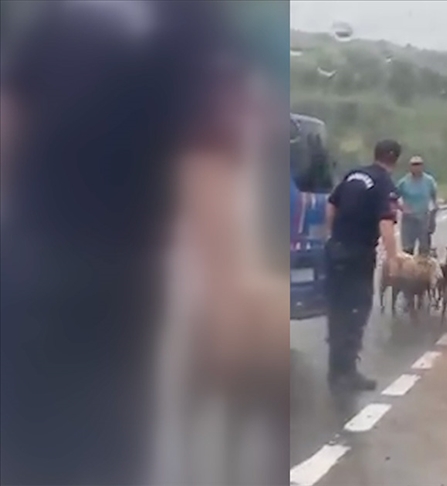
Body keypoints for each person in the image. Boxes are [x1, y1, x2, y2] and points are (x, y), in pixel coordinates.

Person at [0, 2, 259, 483]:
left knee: (24, 443)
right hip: (111, 280)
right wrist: (227, 311)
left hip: (25, 261)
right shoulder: (192, 25)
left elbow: (10, 122)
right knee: (98, 452)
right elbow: (205, 165)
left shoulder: (62, 14)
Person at [324, 139, 402, 391]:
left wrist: (331, 235)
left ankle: (335, 370)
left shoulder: (353, 174)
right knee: (356, 310)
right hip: (358, 254)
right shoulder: (384, 183)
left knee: (337, 310)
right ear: (394, 160)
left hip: (335, 250)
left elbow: (331, 205)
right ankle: (347, 373)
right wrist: (392, 259)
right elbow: (386, 223)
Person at [396, 155, 439, 255]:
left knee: (424, 250)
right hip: (409, 219)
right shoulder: (403, 182)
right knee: (407, 250)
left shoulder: (429, 181)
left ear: (422, 166)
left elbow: (434, 200)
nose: (416, 167)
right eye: (414, 165)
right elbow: (393, 198)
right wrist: (402, 208)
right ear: (410, 167)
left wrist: (433, 219)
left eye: (418, 165)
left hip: (424, 218)